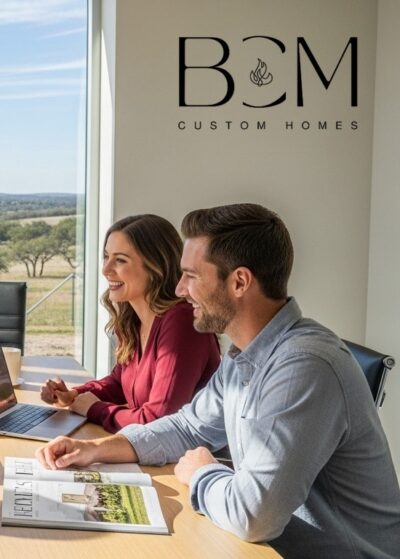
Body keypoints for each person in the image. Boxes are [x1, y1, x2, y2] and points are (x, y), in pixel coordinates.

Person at [36, 203, 400, 558]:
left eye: (191, 276)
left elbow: (253, 517)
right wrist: (98, 450)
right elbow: (187, 428)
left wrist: (203, 473)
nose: (179, 289)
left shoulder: (303, 367)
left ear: (239, 281)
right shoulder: (246, 355)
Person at [41, 214, 220, 432]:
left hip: (181, 459)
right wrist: (73, 395)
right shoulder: (134, 319)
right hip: (150, 453)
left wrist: (94, 408)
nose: (106, 270)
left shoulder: (182, 322)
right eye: (106, 257)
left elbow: (159, 420)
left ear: (156, 267)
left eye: (120, 260)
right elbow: (119, 383)